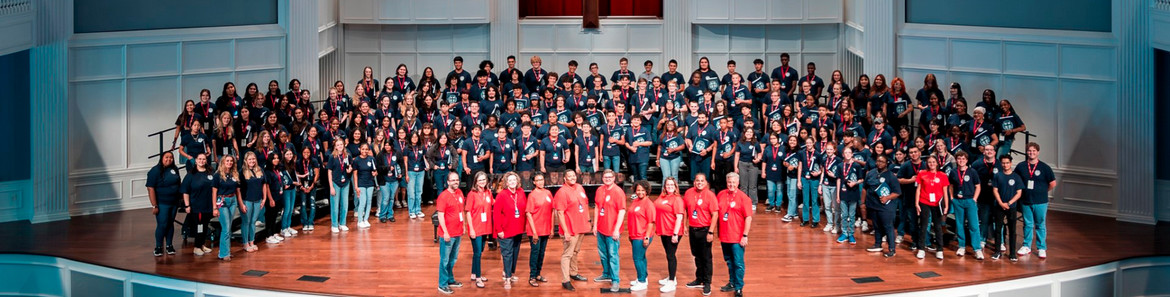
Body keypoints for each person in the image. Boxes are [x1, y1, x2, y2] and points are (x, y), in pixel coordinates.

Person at [1016, 142, 1055, 259]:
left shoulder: (1045, 167)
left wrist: (1042, 191)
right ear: (1026, 152)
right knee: (1027, 224)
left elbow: (1052, 183)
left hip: (1041, 202)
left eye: (1033, 151)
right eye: (1029, 151)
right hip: (1026, 201)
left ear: (1038, 152)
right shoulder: (1021, 166)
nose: (1031, 153)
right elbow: (1016, 181)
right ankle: (1026, 246)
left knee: (1040, 225)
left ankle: (1041, 248)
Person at [717, 172, 753, 297]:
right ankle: (732, 283)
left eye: (733, 182)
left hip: (737, 237)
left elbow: (748, 218)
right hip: (724, 235)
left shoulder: (744, 198)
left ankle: (738, 287)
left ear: (738, 183)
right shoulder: (721, 194)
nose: (731, 185)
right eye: (729, 182)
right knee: (729, 261)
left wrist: (745, 235)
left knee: (738, 263)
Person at [554, 170, 591, 291]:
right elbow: (560, 213)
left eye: (573, 175)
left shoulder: (580, 187)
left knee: (575, 251)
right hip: (570, 229)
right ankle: (566, 280)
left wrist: (588, 221)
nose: (572, 178)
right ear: (564, 178)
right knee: (567, 254)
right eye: (569, 176)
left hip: (581, 226)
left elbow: (585, 205)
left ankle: (573, 273)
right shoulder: (562, 192)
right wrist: (565, 231)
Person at [683, 173, 718, 295]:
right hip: (693, 229)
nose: (699, 183)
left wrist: (711, 231)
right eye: (697, 180)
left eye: (702, 181)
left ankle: (707, 283)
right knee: (696, 255)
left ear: (706, 182)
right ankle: (699, 278)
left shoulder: (710, 195)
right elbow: (685, 209)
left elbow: (715, 215)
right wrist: (684, 225)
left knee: (706, 258)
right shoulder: (688, 193)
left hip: (705, 230)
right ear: (694, 182)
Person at [593, 170, 627, 292]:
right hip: (601, 228)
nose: (607, 179)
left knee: (613, 255)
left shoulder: (618, 192)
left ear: (614, 178)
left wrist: (616, 230)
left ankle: (615, 280)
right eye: (605, 177)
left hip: (612, 230)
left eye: (610, 177)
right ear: (602, 178)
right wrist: (595, 225)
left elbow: (622, 211)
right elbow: (597, 207)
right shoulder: (600, 190)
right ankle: (606, 273)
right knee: (602, 254)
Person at [863, 155, 902, 258]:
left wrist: (887, 197)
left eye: (882, 161)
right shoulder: (871, 173)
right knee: (876, 226)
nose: (879, 163)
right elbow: (864, 188)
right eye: (878, 161)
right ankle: (877, 244)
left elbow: (897, 192)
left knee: (888, 227)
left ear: (886, 163)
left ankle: (892, 249)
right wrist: (862, 202)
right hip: (873, 204)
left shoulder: (891, 176)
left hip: (886, 207)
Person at [493, 172, 527, 289]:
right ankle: (507, 279)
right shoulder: (501, 195)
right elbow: (496, 215)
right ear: (506, 183)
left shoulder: (521, 192)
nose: (513, 182)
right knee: (507, 254)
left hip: (518, 229)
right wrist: (499, 230)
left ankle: (511, 273)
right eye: (510, 180)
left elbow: (523, 210)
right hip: (505, 230)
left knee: (515, 253)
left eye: (514, 180)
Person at [622, 181, 657, 292]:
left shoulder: (649, 204)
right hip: (634, 234)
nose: (640, 192)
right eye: (638, 190)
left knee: (637, 258)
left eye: (642, 190)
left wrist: (646, 237)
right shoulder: (636, 201)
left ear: (647, 191)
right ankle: (643, 277)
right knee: (641, 257)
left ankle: (641, 281)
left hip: (641, 235)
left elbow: (651, 222)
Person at [950, 151, 985, 260]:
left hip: (970, 201)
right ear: (956, 160)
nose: (961, 161)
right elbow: (950, 186)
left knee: (973, 225)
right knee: (959, 224)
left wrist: (974, 199)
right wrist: (952, 197)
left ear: (967, 160)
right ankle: (961, 246)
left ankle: (977, 249)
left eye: (963, 159)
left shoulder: (972, 172)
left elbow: (978, 186)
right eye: (959, 159)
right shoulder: (953, 172)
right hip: (958, 201)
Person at [146, 152, 182, 256]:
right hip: (162, 203)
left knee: (170, 224)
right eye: (166, 157)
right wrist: (154, 205)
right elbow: (150, 188)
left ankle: (169, 245)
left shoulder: (174, 169)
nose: (169, 159)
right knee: (162, 224)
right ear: (162, 158)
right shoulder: (155, 171)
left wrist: (180, 198)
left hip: (174, 202)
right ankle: (158, 247)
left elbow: (178, 183)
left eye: (171, 157)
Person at [652, 177, 685, 292]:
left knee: (671, 255)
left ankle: (671, 282)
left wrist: (675, 234)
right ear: (664, 186)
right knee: (668, 254)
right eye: (667, 185)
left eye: (672, 185)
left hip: (672, 232)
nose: (669, 186)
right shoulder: (662, 196)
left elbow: (679, 217)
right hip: (663, 231)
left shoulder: (677, 199)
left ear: (676, 186)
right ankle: (672, 277)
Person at [914, 156, 950, 260]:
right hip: (924, 201)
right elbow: (918, 190)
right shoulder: (922, 173)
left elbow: (945, 193)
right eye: (929, 162)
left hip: (937, 203)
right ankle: (921, 249)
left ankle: (939, 249)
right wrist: (916, 203)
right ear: (927, 163)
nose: (931, 164)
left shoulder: (942, 175)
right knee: (924, 225)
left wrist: (946, 206)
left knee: (938, 226)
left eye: (933, 162)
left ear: (937, 163)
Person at [436, 172, 465, 294]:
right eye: (452, 180)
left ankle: (450, 280)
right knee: (445, 260)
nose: (455, 182)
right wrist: (446, 232)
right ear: (448, 182)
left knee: (453, 258)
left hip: (458, 232)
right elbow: (440, 215)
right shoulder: (443, 196)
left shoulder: (459, 193)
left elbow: (461, 211)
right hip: (447, 234)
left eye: (457, 180)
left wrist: (463, 225)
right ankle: (442, 284)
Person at [181, 154, 215, 256]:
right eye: (199, 159)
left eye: (203, 159)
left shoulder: (210, 172)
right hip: (197, 206)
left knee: (205, 226)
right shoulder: (191, 175)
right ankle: (196, 247)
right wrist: (187, 206)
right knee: (199, 226)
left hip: (208, 205)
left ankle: (202, 244)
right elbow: (185, 191)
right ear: (195, 160)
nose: (201, 161)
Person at [991, 154, 1023, 262]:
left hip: (1012, 207)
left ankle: (1012, 253)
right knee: (998, 229)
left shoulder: (1016, 177)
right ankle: (997, 251)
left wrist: (1009, 203)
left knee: (1012, 230)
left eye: (1007, 163)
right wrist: (1001, 203)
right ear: (1001, 164)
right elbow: (995, 190)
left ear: (1011, 163)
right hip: (999, 206)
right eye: (1003, 163)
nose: (1005, 165)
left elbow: (1019, 193)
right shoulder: (997, 176)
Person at [211, 155, 243, 261]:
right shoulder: (217, 175)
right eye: (227, 161)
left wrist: (241, 204)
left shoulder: (234, 174)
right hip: (222, 201)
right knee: (226, 227)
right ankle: (224, 253)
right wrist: (214, 207)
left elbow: (238, 191)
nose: (229, 163)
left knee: (228, 228)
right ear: (223, 162)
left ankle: (225, 251)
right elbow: (214, 192)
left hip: (232, 200)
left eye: (231, 161)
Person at [464, 172, 493, 288]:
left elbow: (492, 204)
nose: (482, 182)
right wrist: (471, 229)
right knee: (477, 253)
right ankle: (478, 278)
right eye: (480, 180)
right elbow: (468, 212)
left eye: (484, 179)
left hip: (485, 226)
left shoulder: (488, 192)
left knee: (479, 251)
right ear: (476, 181)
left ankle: (473, 273)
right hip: (475, 227)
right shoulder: (472, 194)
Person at [525, 173, 553, 287]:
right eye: (538, 180)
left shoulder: (548, 193)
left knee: (542, 253)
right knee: (535, 253)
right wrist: (534, 232)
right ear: (534, 182)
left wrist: (551, 228)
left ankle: (538, 274)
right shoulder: (532, 195)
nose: (540, 182)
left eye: (542, 179)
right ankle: (532, 276)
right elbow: (528, 213)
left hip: (545, 228)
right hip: (535, 230)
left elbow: (552, 211)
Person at [239, 152, 269, 252]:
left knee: (253, 222)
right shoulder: (242, 172)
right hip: (246, 200)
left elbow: (264, 184)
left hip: (258, 200)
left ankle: (252, 241)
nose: (252, 161)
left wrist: (264, 198)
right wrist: (241, 203)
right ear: (246, 161)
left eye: (253, 159)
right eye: (250, 159)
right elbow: (238, 189)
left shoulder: (260, 170)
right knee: (246, 222)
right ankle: (245, 243)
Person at [836, 147, 863, 244]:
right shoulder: (840, 166)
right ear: (843, 154)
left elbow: (861, 179)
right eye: (845, 152)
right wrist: (838, 195)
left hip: (853, 193)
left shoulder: (857, 166)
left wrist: (854, 183)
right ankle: (844, 233)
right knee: (844, 215)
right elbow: (838, 180)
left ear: (852, 154)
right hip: (843, 193)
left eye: (849, 152)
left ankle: (851, 233)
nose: (847, 154)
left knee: (851, 215)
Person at [327, 140, 353, 233]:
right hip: (335, 183)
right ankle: (334, 224)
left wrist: (350, 169)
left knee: (345, 204)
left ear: (344, 145)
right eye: (338, 145)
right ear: (335, 146)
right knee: (335, 205)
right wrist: (331, 187)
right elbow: (329, 172)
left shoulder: (348, 155)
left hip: (345, 182)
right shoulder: (332, 157)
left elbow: (350, 166)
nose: (340, 146)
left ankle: (342, 223)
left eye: (341, 144)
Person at [797, 137, 822, 227]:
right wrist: (799, 180)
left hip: (814, 179)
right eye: (807, 143)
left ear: (813, 143)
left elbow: (822, 169)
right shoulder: (801, 153)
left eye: (810, 143)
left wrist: (818, 173)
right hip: (804, 178)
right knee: (805, 200)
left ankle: (815, 220)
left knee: (814, 200)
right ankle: (805, 219)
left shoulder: (818, 154)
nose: (808, 144)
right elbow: (800, 167)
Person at [405, 133, 429, 219]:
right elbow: (405, 162)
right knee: (411, 192)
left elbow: (425, 158)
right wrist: (406, 174)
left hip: (421, 171)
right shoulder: (407, 148)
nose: (414, 138)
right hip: (411, 171)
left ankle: (418, 210)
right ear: (410, 138)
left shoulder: (422, 147)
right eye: (413, 137)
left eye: (416, 137)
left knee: (419, 191)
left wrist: (427, 165)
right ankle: (411, 211)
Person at [376, 142, 400, 223]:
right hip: (384, 180)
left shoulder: (396, 153)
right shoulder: (380, 155)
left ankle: (390, 215)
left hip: (394, 180)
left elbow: (401, 164)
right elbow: (378, 168)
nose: (387, 146)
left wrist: (401, 173)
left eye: (389, 145)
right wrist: (388, 168)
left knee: (391, 198)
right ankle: (382, 215)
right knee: (386, 198)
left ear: (392, 145)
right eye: (385, 145)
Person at [762, 133, 786, 213]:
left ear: (778, 139)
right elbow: (764, 161)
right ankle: (771, 204)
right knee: (771, 190)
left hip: (780, 172)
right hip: (769, 172)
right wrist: (763, 171)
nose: (772, 140)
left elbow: (786, 160)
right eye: (771, 139)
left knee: (779, 189)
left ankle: (778, 205)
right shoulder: (768, 148)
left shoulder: (783, 148)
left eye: (774, 138)